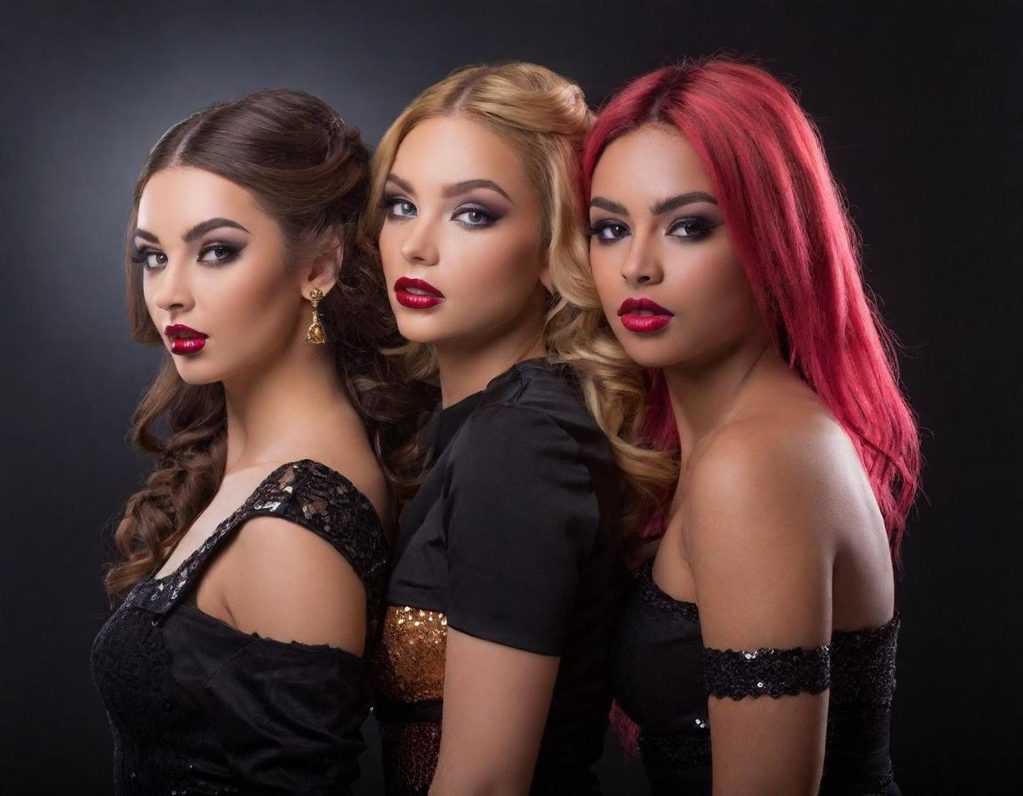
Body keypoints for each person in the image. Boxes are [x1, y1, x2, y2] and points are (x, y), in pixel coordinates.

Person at [552, 59, 921, 794]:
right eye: (610, 228)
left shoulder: (759, 461)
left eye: (688, 227)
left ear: (775, 236)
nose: (637, 267)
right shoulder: (739, 442)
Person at [91, 89, 410, 793]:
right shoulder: (261, 473)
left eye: (216, 251)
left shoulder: (292, 528)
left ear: (318, 267)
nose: (168, 293)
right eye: (152, 256)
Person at [367, 63, 623, 795]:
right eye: (401, 205)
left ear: (554, 246)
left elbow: (483, 783)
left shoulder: (522, 441)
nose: (416, 246)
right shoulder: (460, 426)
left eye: (472, 213)